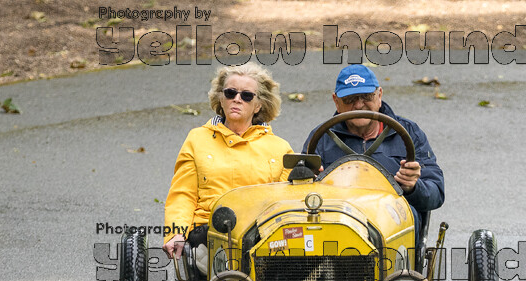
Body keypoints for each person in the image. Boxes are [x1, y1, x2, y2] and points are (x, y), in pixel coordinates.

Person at [163, 62, 294, 259]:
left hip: (261, 235)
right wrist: (175, 233)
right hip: (208, 233)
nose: (237, 99)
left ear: (259, 105)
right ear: (221, 99)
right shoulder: (197, 139)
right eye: (230, 93)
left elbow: (287, 203)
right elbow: (183, 195)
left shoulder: (280, 148)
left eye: (247, 96)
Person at [304, 64, 444, 235]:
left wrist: (413, 187)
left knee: (410, 216)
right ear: (336, 101)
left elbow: (436, 192)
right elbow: (299, 192)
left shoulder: (409, 132)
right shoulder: (320, 138)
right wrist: (311, 181)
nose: (359, 105)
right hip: (338, 221)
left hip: (392, 219)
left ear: (379, 95)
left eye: (366, 96)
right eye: (350, 99)